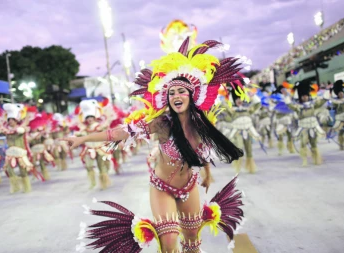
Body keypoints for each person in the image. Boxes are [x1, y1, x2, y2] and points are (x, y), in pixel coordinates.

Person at [65, 38, 245, 252]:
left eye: (181, 92)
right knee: (169, 242)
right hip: (162, 188)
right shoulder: (161, 124)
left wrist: (207, 173)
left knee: (192, 242)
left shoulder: (203, 126)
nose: (176, 96)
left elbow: (201, 155)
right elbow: (118, 132)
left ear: (191, 95)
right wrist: (82, 139)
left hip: (189, 187)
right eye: (171, 93)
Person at [283, 80, 330, 166]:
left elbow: (322, 101)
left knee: (313, 143)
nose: (305, 97)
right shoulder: (298, 107)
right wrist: (286, 96)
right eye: (303, 96)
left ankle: (316, 159)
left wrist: (327, 91)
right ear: (300, 97)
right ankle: (304, 160)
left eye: (306, 96)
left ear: (308, 96)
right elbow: (290, 105)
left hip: (313, 126)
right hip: (303, 128)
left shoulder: (313, 104)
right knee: (303, 143)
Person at [76, 99, 113, 189]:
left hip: (100, 148)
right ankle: (92, 182)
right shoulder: (84, 128)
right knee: (88, 166)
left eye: (91, 117)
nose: (89, 119)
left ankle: (104, 183)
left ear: (94, 117)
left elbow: (105, 132)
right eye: (87, 118)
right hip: (89, 149)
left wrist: (107, 122)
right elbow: (80, 136)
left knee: (101, 166)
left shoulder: (99, 126)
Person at [0, 103, 34, 193]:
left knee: (23, 171)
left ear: (16, 120)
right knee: (9, 170)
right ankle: (15, 187)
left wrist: (26, 121)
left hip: (20, 153)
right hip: (10, 154)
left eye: (12, 120)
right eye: (9, 120)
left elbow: (20, 130)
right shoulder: (6, 130)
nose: (10, 121)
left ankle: (26, 187)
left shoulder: (21, 129)